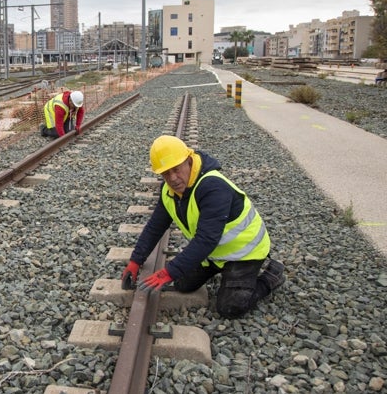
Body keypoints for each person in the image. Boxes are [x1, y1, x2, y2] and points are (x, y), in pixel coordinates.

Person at [121, 136, 285, 318]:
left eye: (176, 169)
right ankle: (223, 271)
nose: (173, 178)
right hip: (215, 252)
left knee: (230, 307)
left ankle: (272, 276)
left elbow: (206, 239)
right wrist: (136, 260)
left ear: (189, 160)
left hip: (245, 253)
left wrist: (169, 271)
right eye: (166, 173)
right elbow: (155, 227)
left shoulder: (213, 187)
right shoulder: (169, 192)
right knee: (183, 284)